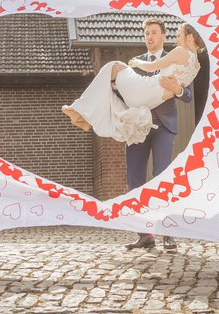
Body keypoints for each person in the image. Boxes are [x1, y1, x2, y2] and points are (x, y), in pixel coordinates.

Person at [63, 19, 202, 251]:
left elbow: (187, 94)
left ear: (163, 36)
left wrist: (177, 89)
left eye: (154, 32)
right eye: (146, 33)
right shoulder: (134, 65)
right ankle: (145, 234)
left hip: (164, 126)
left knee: (162, 179)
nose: (150, 37)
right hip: (137, 127)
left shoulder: (177, 55)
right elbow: (120, 90)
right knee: (135, 179)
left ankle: (168, 233)